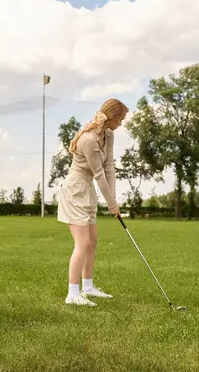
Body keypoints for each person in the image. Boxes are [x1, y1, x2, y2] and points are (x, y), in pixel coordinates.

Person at [57, 98, 129, 307]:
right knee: (83, 243)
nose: (121, 124)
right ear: (112, 117)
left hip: (87, 190)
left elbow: (109, 169)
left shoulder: (108, 134)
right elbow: (99, 174)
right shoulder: (88, 140)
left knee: (93, 241)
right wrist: (112, 205)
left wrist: (112, 200)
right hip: (74, 192)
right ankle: (72, 293)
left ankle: (87, 287)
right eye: (121, 119)